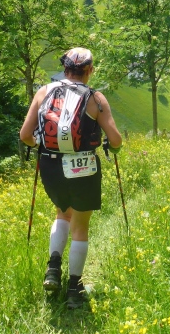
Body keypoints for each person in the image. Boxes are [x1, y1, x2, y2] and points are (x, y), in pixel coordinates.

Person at [19, 47, 123, 309]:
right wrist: (114, 148)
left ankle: (53, 269)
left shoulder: (44, 91)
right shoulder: (95, 98)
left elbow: (25, 135)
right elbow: (115, 139)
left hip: (50, 165)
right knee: (80, 227)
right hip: (84, 167)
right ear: (90, 70)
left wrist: (40, 146)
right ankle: (74, 289)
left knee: (61, 214)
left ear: (64, 69)